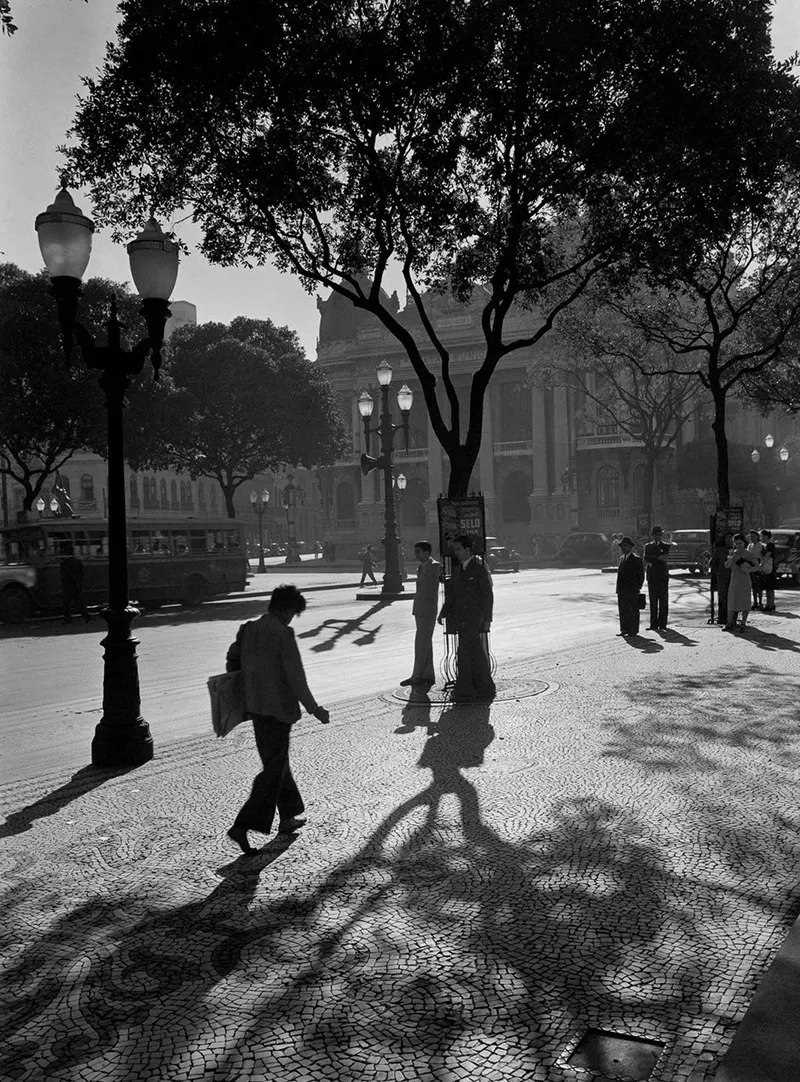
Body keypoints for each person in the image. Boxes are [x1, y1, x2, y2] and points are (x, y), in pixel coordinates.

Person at [225, 584, 330, 855]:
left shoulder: (247, 628)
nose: (291, 618)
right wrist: (315, 709)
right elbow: (296, 677)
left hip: (256, 708)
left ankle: (288, 816)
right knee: (273, 769)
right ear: (285, 609)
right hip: (278, 710)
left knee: (277, 762)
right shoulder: (283, 633)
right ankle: (243, 824)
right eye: (293, 613)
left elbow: (232, 660)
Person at [437, 535, 495, 702]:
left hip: (474, 617)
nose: (456, 553)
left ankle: (465, 690)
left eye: (458, 549)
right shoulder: (457, 570)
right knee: (475, 652)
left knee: (464, 653)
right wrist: (443, 612)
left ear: (467, 549)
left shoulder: (478, 569)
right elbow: (452, 595)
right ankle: (484, 687)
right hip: (460, 618)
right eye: (454, 550)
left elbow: (487, 595)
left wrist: (487, 618)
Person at [400, 541, 442, 687]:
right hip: (420, 609)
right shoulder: (421, 566)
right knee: (425, 643)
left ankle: (416, 676)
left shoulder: (435, 566)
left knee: (421, 644)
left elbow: (443, 580)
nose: (415, 554)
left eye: (418, 551)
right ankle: (428, 675)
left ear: (426, 552)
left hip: (428, 609)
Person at [724, 534, 758, 632]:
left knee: (744, 602)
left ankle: (743, 623)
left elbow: (757, 566)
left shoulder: (748, 554)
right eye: (736, 543)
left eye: (740, 543)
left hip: (745, 581)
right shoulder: (733, 554)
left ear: (744, 543)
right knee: (731, 601)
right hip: (734, 581)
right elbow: (726, 565)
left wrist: (749, 569)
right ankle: (729, 623)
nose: (738, 545)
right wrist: (733, 556)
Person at [615, 535, 645, 637]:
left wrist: (637, 587)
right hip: (622, 590)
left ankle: (633, 630)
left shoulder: (636, 559)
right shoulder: (622, 559)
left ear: (630, 547)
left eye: (626, 546)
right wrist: (618, 589)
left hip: (632, 589)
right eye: (622, 546)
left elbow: (641, 575)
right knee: (623, 610)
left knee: (632, 610)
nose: (623, 548)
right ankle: (624, 629)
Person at [643, 525, 670, 630]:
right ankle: (653, 624)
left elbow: (664, 557)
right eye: (655, 534)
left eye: (659, 534)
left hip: (662, 576)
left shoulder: (666, 546)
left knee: (663, 601)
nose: (657, 536)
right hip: (652, 576)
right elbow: (646, 557)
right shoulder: (648, 546)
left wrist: (653, 558)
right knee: (653, 601)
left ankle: (663, 623)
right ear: (652, 535)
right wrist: (657, 557)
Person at [60, 546, 90, 624]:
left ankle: (67, 619)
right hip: (77, 585)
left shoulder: (64, 563)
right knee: (80, 602)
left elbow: (63, 576)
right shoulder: (78, 562)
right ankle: (86, 616)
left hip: (68, 586)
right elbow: (81, 574)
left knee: (67, 604)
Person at [710, 530, 734, 626]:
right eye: (727, 538)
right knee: (723, 598)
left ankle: (732, 619)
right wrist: (717, 573)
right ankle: (722, 618)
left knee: (733, 599)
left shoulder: (737, 549)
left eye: (731, 538)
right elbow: (712, 563)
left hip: (735, 578)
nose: (729, 540)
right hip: (722, 578)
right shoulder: (719, 550)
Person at [759, 528, 777, 612]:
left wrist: (760, 566)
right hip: (765, 568)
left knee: (770, 588)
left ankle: (771, 604)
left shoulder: (770, 545)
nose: (761, 537)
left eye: (762, 536)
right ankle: (768, 604)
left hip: (770, 569)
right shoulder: (764, 546)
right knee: (767, 588)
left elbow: (766, 557)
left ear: (766, 536)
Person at [747, 529, 765, 610]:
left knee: (759, 586)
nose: (752, 538)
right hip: (751, 567)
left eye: (753, 536)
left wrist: (760, 566)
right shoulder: (749, 546)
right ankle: (755, 602)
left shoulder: (761, 546)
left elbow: (763, 557)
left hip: (758, 566)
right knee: (753, 586)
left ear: (757, 537)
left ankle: (760, 602)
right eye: (750, 537)